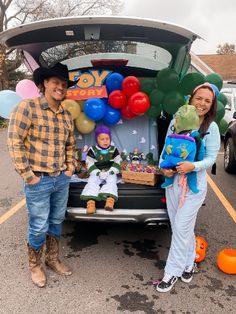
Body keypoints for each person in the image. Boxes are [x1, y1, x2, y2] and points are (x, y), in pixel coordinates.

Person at [8, 62, 78, 288]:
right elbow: (15, 142)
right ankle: (35, 265)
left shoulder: (66, 114)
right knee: (38, 225)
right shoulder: (27, 107)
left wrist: (70, 167)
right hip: (38, 179)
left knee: (56, 221)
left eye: (64, 84)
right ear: (44, 83)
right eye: (56, 82)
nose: (60, 87)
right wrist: (29, 176)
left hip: (61, 178)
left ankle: (52, 258)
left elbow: (70, 145)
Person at [155, 82, 221, 293]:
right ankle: (189, 262)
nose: (202, 103)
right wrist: (162, 168)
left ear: (212, 105)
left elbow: (211, 158)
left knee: (181, 228)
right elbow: (166, 150)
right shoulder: (177, 120)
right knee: (180, 229)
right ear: (191, 99)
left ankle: (171, 272)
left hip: (193, 189)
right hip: (173, 184)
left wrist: (193, 165)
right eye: (199, 98)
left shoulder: (211, 127)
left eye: (207, 101)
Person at [160, 104, 205, 196]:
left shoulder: (196, 137)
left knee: (191, 174)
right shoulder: (174, 135)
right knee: (166, 166)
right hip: (174, 163)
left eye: (176, 121)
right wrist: (164, 158)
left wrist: (196, 162)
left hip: (188, 165)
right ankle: (169, 181)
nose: (175, 124)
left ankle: (192, 186)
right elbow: (166, 148)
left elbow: (201, 152)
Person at [80, 125, 122, 214]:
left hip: (109, 170)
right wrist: (98, 172)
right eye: (102, 139)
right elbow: (89, 163)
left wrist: (111, 171)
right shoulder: (93, 150)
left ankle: (110, 201)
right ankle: (91, 204)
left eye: (107, 138)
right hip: (97, 171)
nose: (105, 141)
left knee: (112, 181)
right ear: (97, 139)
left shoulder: (113, 149)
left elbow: (117, 161)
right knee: (92, 182)